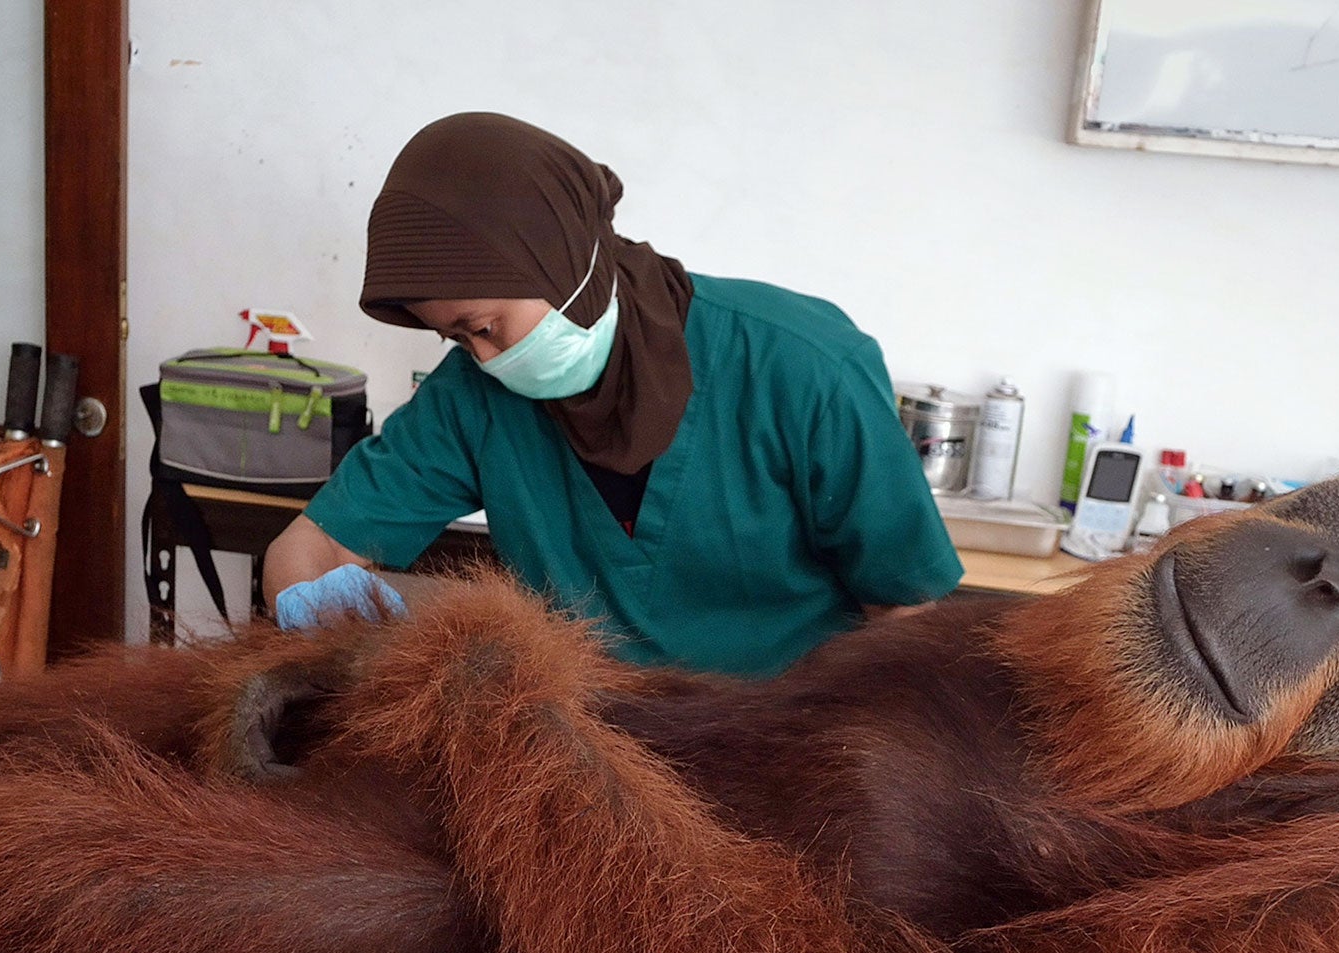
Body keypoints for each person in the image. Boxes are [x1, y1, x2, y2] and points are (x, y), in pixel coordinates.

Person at [263, 112, 961, 676]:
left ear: (564, 260)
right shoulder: (472, 398)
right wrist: (308, 603)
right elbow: (314, 544)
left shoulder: (801, 365)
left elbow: (905, 613)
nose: (484, 358)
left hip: (784, 750)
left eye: (484, 327)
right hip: (588, 754)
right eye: (455, 339)